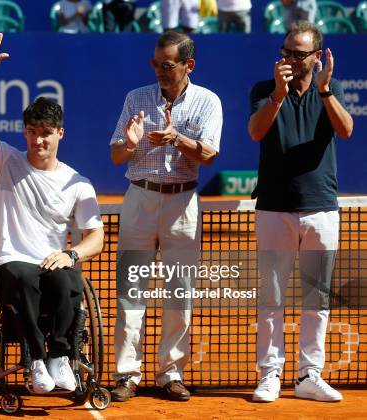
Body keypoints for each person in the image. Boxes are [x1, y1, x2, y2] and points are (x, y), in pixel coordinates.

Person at [0, 28, 105, 394]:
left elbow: (95, 237)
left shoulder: (78, 182)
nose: (38, 139)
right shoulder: (4, 161)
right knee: (25, 278)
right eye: (32, 131)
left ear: (61, 134)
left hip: (52, 259)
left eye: (46, 132)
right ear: (24, 132)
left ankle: (60, 356)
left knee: (69, 277)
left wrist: (71, 254)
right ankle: (36, 361)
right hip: (13, 260)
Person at [109, 31, 222, 402]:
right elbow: (115, 156)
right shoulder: (135, 98)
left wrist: (177, 139)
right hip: (139, 199)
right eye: (156, 63)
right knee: (131, 292)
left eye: (167, 65)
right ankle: (127, 373)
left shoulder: (208, 102)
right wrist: (130, 141)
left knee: (179, 293)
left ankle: (170, 372)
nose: (159, 70)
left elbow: (209, 156)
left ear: (189, 65)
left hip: (182, 204)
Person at [248, 21, 353, 403]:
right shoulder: (264, 90)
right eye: (286, 51)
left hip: (321, 209)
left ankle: (310, 374)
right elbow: (257, 132)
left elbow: (346, 130)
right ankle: (270, 373)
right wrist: (277, 94)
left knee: (317, 298)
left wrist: (325, 90)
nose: (290, 58)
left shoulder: (330, 90)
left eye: (298, 53)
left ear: (316, 56)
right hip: (274, 209)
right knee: (272, 298)